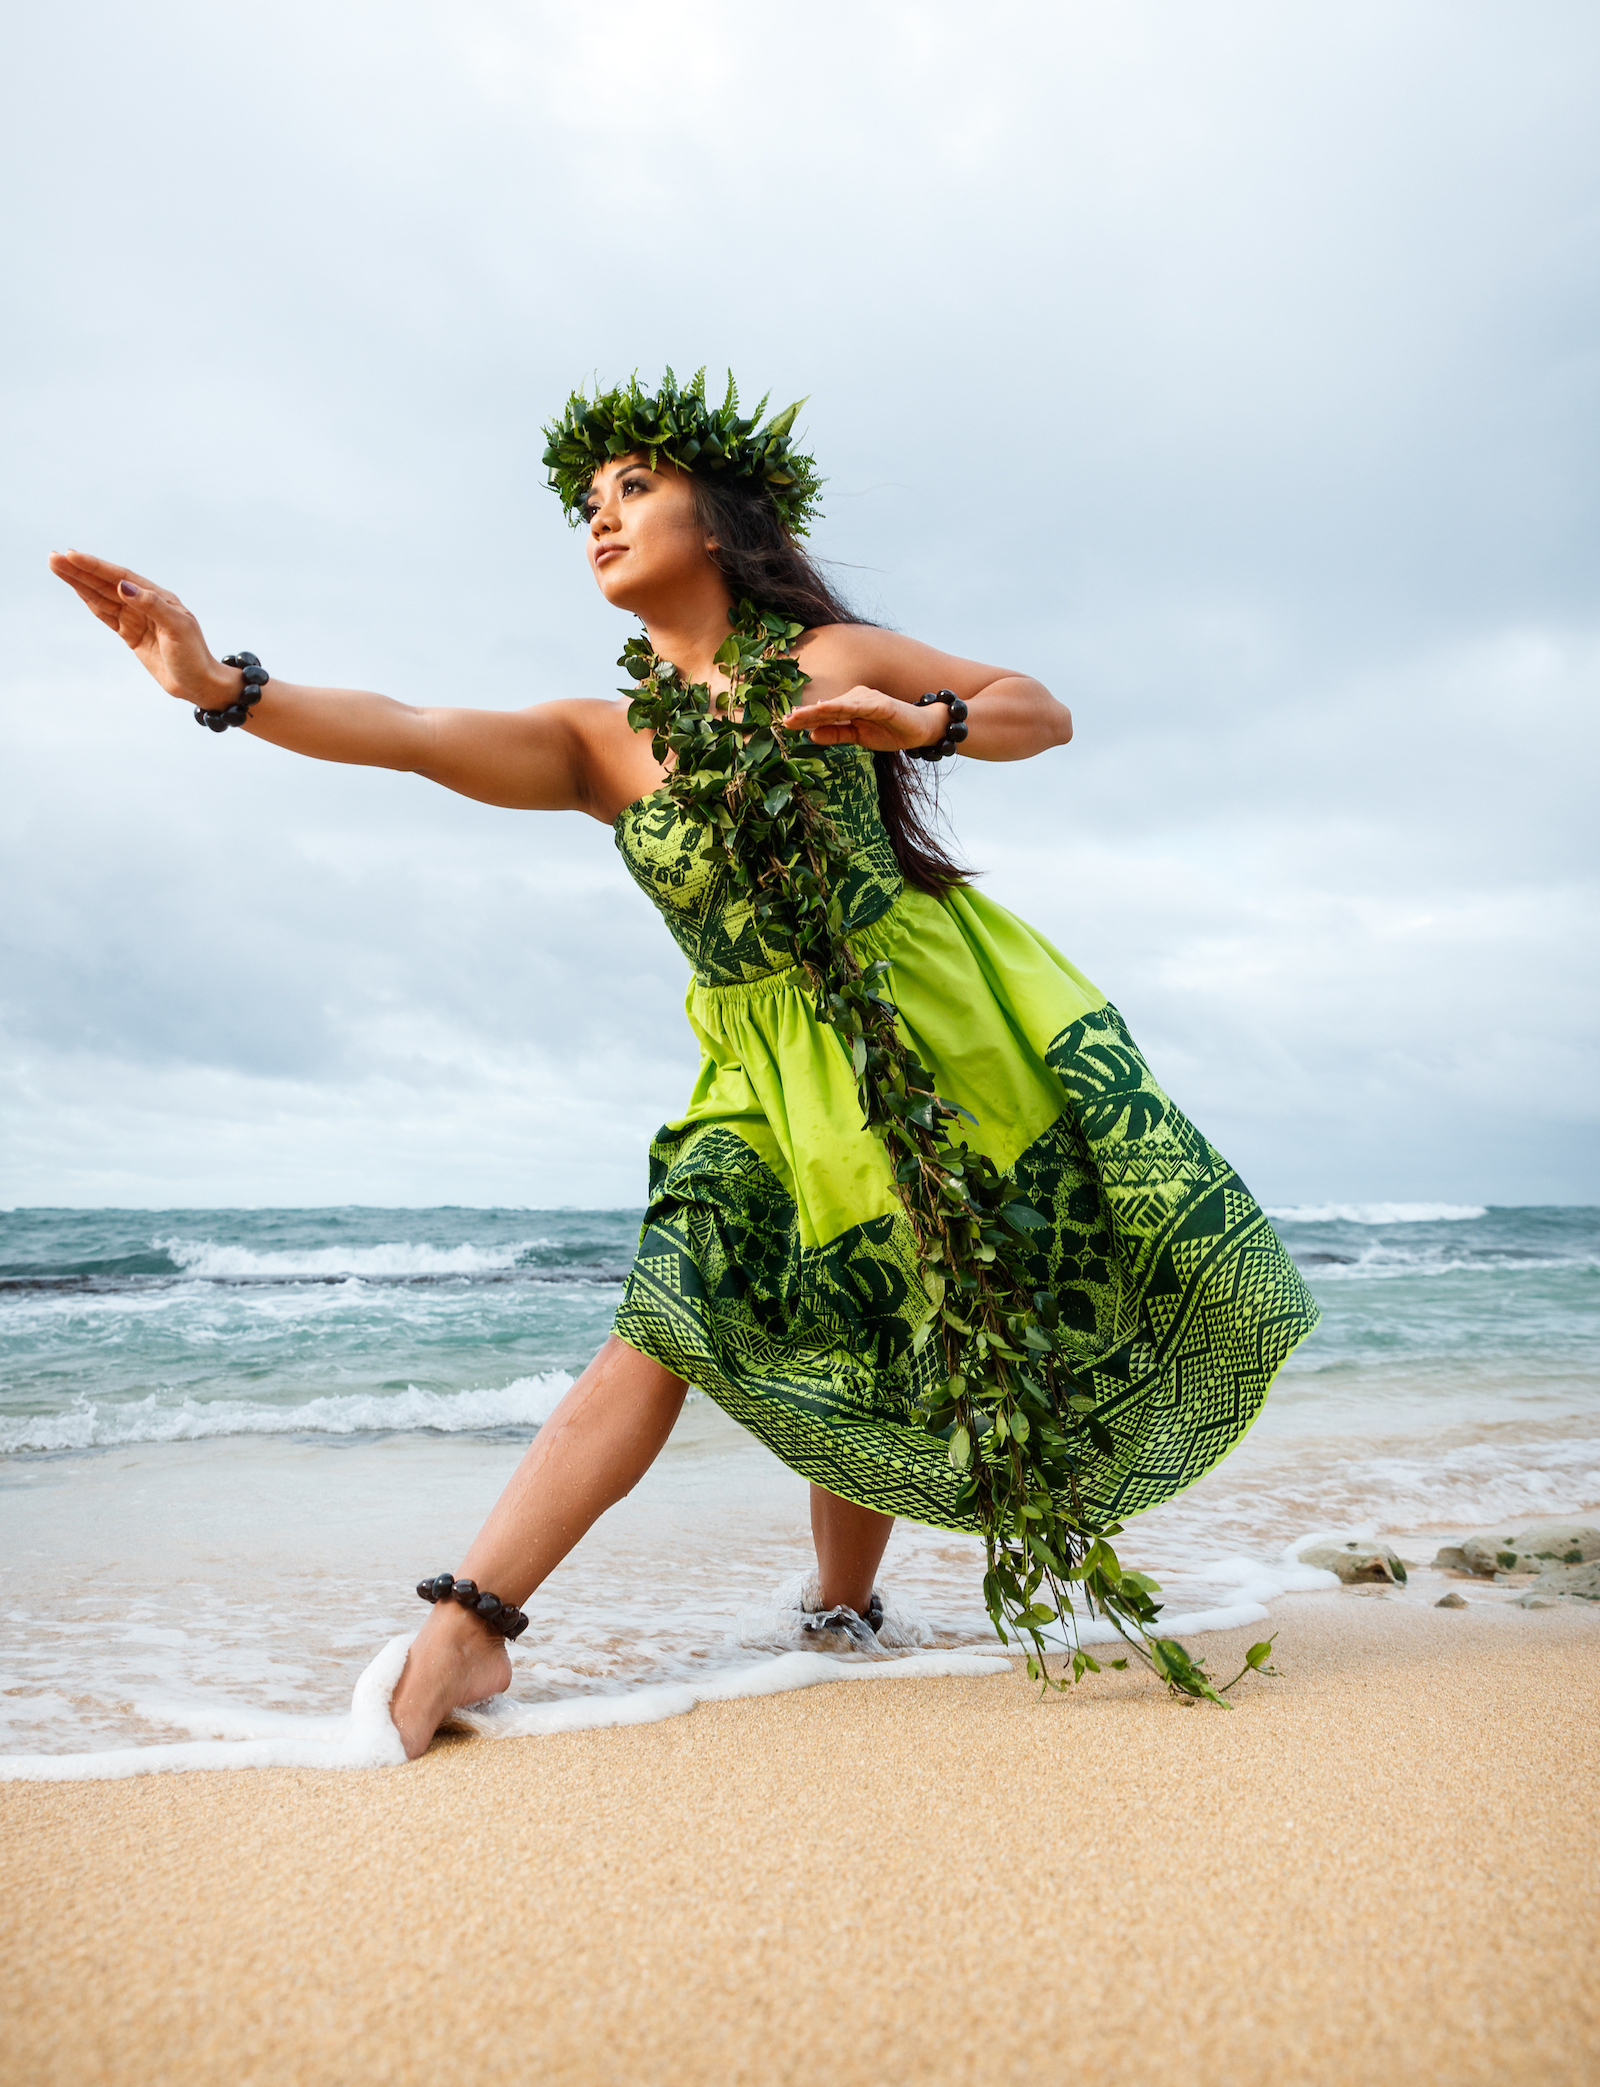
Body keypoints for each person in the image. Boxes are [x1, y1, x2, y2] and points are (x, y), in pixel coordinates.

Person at [49, 370, 1318, 1757]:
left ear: (717, 520)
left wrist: (925, 723)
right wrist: (219, 686)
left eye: (634, 488)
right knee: (673, 1303)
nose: (600, 517)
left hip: (929, 1026)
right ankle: (468, 1631)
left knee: (907, 1301)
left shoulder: (832, 656)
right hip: (755, 1070)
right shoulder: (597, 743)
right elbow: (407, 734)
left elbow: (1037, 707)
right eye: (588, 503)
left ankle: (842, 1611)